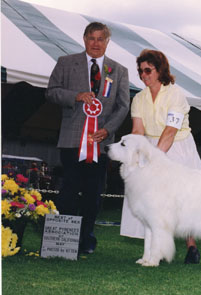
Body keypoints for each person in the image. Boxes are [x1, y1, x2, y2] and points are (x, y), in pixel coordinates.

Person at [46, 22, 130, 254]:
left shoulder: (119, 71)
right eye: (91, 38)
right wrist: (76, 96)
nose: (95, 43)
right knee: (69, 191)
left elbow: (123, 106)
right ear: (84, 39)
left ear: (107, 42)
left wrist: (108, 130)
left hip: (101, 144)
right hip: (72, 140)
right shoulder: (65, 62)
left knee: (94, 195)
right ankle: (63, 240)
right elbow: (51, 91)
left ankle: (86, 238)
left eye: (100, 39)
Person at [120, 49, 201, 264]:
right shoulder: (138, 98)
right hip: (150, 146)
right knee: (151, 201)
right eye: (140, 71)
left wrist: (153, 159)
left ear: (160, 70)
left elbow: (170, 131)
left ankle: (191, 246)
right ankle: (153, 249)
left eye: (148, 70)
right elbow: (138, 131)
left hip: (178, 146)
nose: (143, 75)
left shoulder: (175, 94)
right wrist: (136, 154)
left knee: (182, 200)